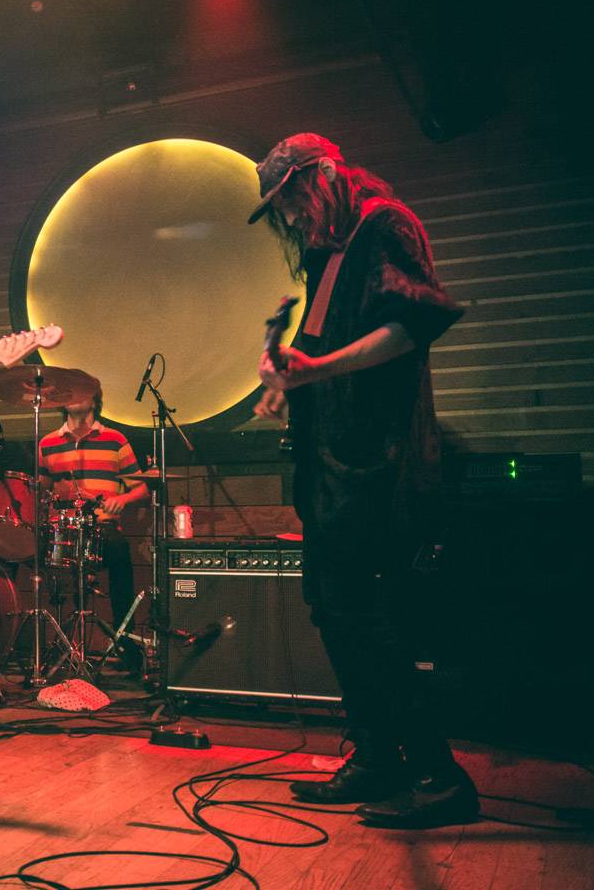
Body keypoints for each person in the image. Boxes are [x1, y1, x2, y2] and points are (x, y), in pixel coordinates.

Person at [250, 133, 475, 829]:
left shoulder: (385, 224)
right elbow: (323, 345)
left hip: (377, 455)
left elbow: (411, 326)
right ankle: (378, 757)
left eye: (289, 200)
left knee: (363, 612)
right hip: (330, 455)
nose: (289, 219)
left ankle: (439, 774)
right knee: (331, 602)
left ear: (317, 178)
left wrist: (314, 371)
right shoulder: (330, 250)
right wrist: (289, 382)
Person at [35, 378, 147, 666]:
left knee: (121, 558)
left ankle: (127, 642)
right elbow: (41, 488)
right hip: (65, 529)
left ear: (95, 399)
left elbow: (142, 486)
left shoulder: (115, 439)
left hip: (103, 527)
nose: (75, 396)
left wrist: (122, 500)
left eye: (83, 392)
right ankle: (60, 644)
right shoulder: (47, 443)